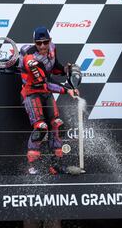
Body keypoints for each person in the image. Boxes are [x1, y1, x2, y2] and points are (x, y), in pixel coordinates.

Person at [18, 26, 78, 174]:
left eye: (45, 42)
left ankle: (55, 165)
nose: (43, 46)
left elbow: (53, 67)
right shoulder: (29, 58)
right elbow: (45, 83)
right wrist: (66, 90)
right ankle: (33, 167)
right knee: (41, 128)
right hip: (32, 92)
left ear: (50, 40)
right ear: (34, 43)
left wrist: (65, 70)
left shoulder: (52, 48)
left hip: (46, 92)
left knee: (56, 125)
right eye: (39, 43)